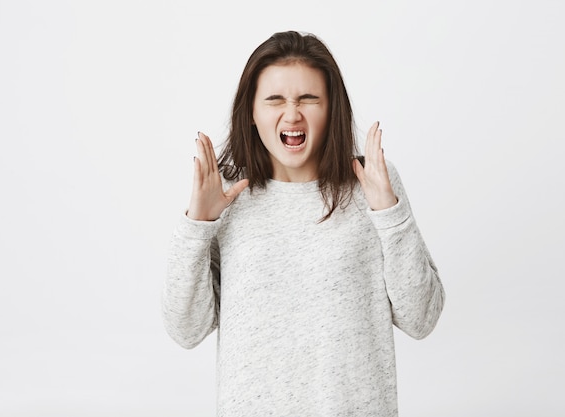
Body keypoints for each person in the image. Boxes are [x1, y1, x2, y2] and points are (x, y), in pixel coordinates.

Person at [161, 30, 445, 416]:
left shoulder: (373, 181)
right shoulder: (225, 194)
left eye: (309, 99)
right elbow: (186, 330)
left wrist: (389, 214)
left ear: (332, 110)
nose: (292, 114)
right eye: (275, 99)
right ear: (251, 113)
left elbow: (421, 319)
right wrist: (198, 225)